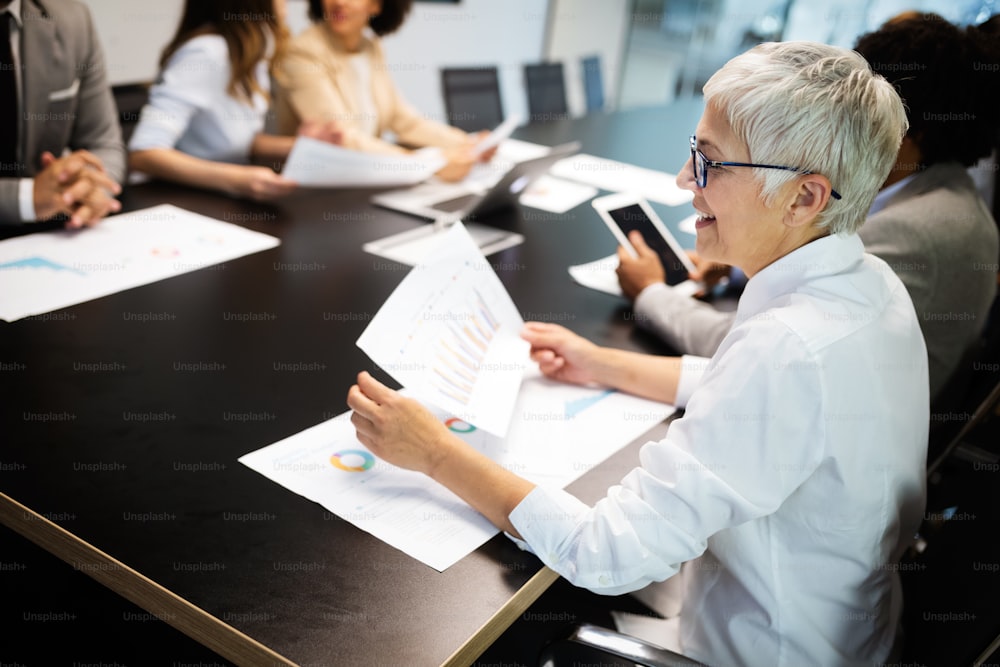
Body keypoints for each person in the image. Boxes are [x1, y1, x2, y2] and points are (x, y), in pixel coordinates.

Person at [348, 41, 927, 666]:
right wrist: (603, 364)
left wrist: (434, 451)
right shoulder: (869, 285)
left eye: (710, 164)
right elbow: (755, 392)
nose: (685, 182)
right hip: (848, 632)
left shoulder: (785, 352)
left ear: (805, 198)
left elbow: (605, 555)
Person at [616, 12, 1000, 403]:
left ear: (905, 129)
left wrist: (650, 294)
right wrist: (733, 265)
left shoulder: (916, 232)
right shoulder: (947, 193)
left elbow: (742, 350)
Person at [128, 0, 341, 200]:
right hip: (173, 198)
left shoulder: (249, 53)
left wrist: (298, 147)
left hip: (215, 196)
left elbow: (234, 138)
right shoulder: (206, 54)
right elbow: (143, 153)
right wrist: (236, 180)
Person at [272, 0, 490, 182]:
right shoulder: (301, 52)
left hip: (364, 178)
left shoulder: (371, 48)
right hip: (314, 187)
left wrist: (466, 144)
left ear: (377, 5)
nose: (338, 2)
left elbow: (405, 120)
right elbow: (342, 137)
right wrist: (427, 165)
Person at [0, 0, 124, 232]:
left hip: (52, 233)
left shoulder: (72, 19)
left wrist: (88, 188)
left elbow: (103, 143)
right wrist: (26, 198)